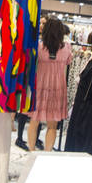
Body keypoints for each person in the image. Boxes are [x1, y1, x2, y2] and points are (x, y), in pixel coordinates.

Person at [27, 17, 72, 152]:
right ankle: (47, 153)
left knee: (34, 121)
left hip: (40, 86)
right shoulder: (66, 48)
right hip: (58, 87)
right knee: (52, 125)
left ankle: (31, 151)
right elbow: (68, 61)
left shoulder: (38, 47)